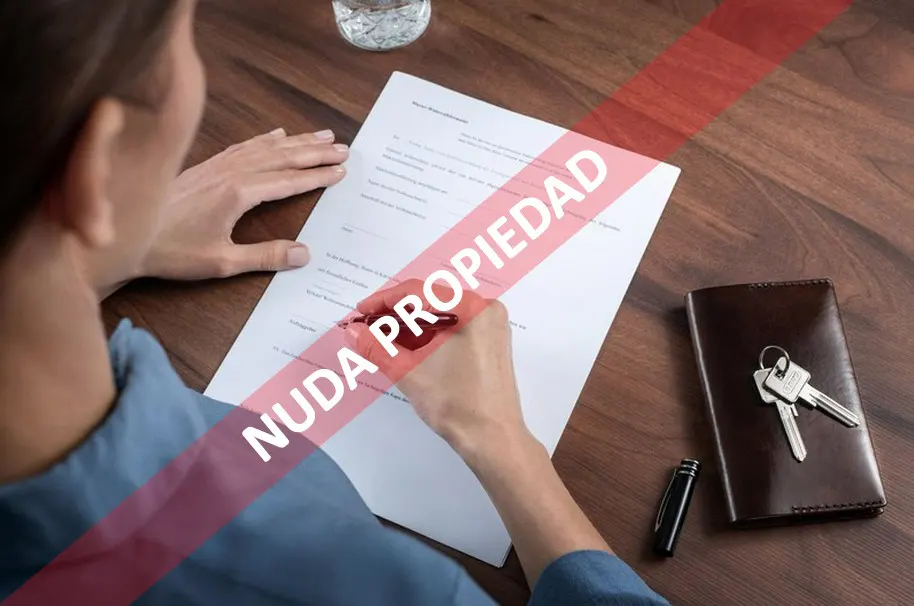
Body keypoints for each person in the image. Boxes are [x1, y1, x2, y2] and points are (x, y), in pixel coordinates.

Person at [0, 1, 668, 604]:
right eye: (186, 37)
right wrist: (501, 441)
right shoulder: (375, 587)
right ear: (97, 160)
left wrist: (89, 252)